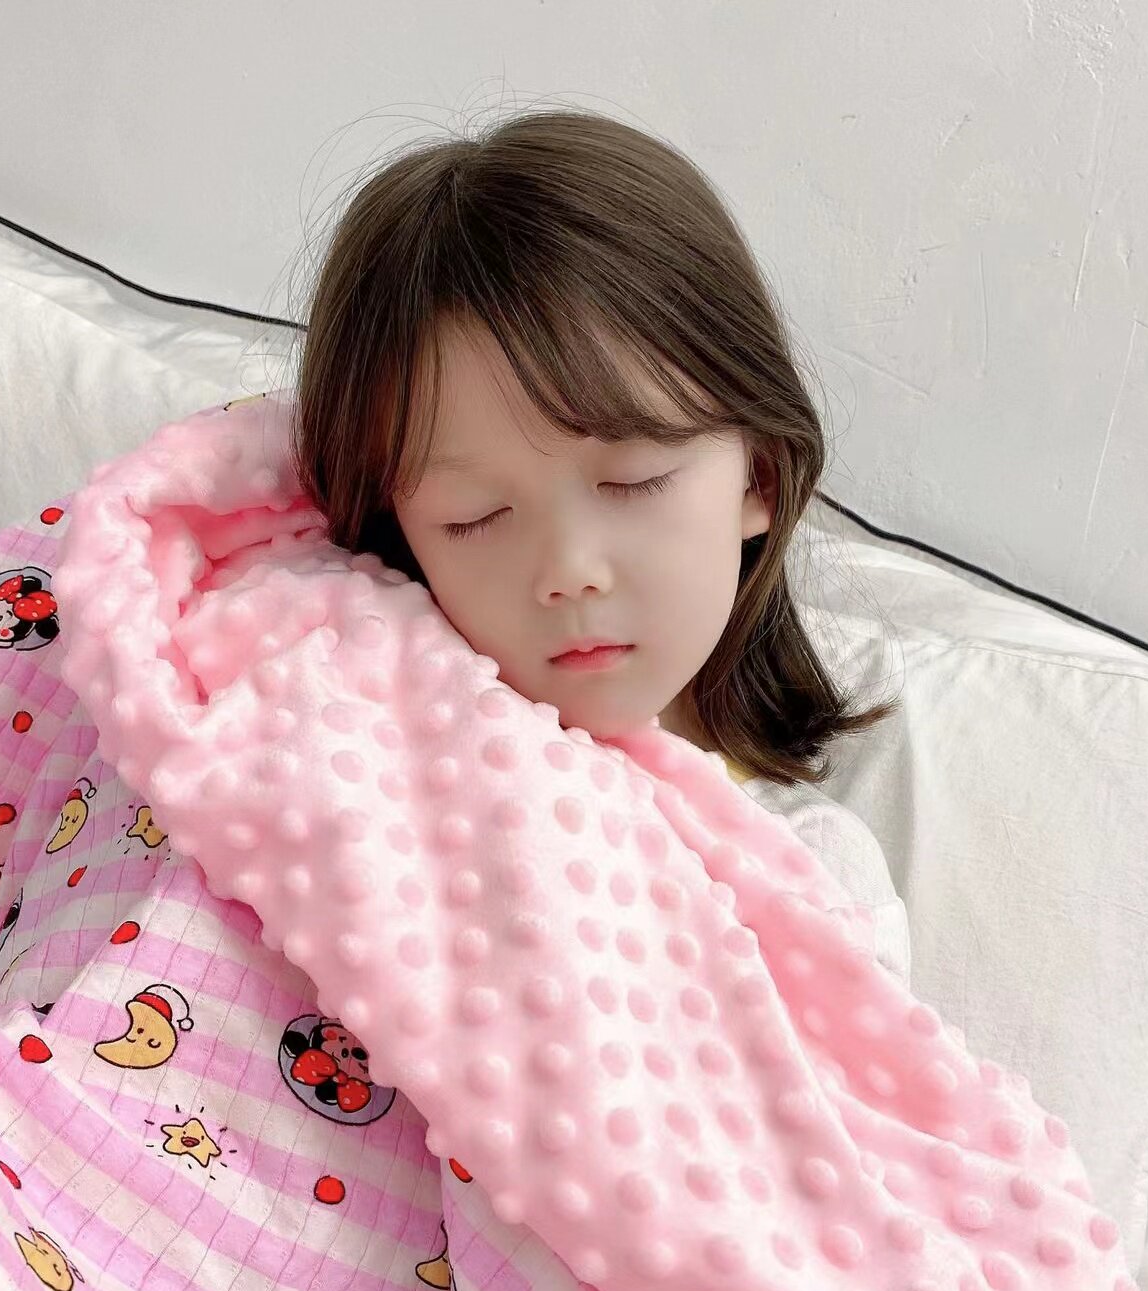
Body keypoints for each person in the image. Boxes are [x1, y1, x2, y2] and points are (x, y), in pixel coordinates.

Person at [289, 104, 912, 992]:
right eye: (474, 517)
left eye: (633, 482)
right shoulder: (340, 749)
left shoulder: (809, 881)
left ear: (761, 478)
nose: (568, 570)